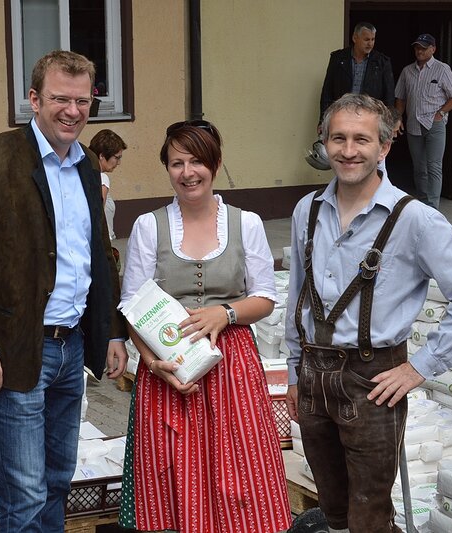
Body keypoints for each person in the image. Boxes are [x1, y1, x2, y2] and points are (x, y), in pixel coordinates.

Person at [284, 94, 452, 533]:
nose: (348, 150)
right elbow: (297, 297)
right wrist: (292, 372)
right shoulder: (308, 210)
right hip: (312, 376)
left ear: (383, 147)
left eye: (361, 139)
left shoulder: (415, 219)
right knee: (334, 509)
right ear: (323, 142)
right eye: (337, 137)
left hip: (372, 381)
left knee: (369, 513)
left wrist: (419, 367)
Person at [0, 50, 128, 532]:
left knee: (56, 480)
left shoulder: (88, 166)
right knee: (24, 490)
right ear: (33, 99)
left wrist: (111, 331)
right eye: (60, 99)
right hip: (14, 349)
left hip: (70, 348)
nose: (73, 111)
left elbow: (99, 252)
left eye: (83, 100)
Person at [118, 120, 292, 533]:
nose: (187, 172)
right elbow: (131, 306)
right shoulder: (148, 226)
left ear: (214, 164)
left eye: (196, 160)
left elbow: (265, 297)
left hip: (231, 367)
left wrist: (226, 313)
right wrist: (150, 363)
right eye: (176, 162)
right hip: (167, 366)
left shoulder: (244, 223)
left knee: (239, 477)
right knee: (171, 472)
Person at [395, 33, 452, 208]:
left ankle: (433, 206)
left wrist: (441, 112)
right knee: (419, 168)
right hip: (413, 124)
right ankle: (423, 204)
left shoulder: (442, 69)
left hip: (435, 124)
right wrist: (398, 118)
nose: (419, 51)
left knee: (434, 167)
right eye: (417, 48)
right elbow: (400, 98)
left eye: (424, 48)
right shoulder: (407, 71)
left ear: (433, 49)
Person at [319, 22, 395, 130]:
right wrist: (323, 120)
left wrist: (388, 123)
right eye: (366, 39)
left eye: (373, 39)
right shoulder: (338, 58)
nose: (370, 44)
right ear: (355, 38)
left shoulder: (382, 62)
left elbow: (389, 96)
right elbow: (327, 91)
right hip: (342, 114)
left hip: (369, 117)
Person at [89, 129, 127, 241]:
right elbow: (97, 216)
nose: (119, 163)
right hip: (101, 242)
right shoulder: (102, 179)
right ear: (102, 155)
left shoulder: (85, 174)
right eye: (117, 157)